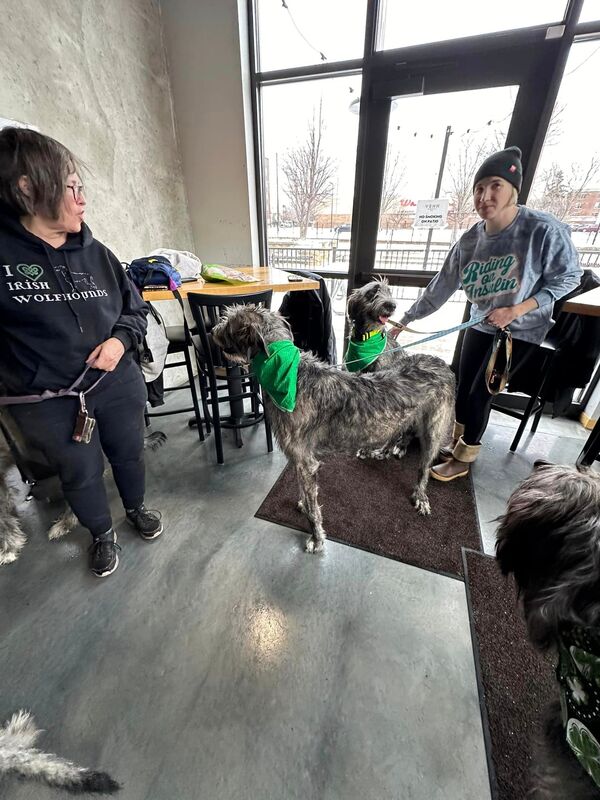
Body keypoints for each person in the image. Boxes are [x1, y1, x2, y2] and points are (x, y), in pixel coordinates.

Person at [0, 127, 163, 577]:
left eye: (80, 187)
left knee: (130, 452)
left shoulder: (98, 253)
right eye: (72, 187)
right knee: (80, 472)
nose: (82, 199)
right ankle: (101, 533)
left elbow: (135, 308)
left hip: (117, 383)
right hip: (50, 403)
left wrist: (119, 342)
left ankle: (136, 508)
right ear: (28, 188)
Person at [395, 146, 582, 481]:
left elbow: (569, 277)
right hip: (482, 323)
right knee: (462, 384)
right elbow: (440, 287)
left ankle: (463, 460)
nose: (486, 195)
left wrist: (516, 309)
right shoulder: (469, 241)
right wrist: (404, 321)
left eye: (496, 185)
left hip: (520, 329)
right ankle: (458, 443)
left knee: (481, 392)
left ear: (514, 189)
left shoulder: (542, 229)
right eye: (479, 189)